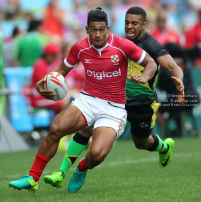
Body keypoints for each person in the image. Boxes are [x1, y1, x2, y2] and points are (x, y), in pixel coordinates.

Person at [8, 7, 157, 192]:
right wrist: (44, 80)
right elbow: (61, 70)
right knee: (56, 129)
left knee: (97, 154)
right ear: (87, 29)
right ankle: (32, 177)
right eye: (93, 29)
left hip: (114, 108)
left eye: (101, 29)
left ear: (107, 28)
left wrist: (144, 78)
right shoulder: (80, 48)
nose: (97, 34)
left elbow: (150, 62)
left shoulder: (122, 45)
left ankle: (81, 168)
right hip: (88, 101)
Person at [43, 7, 184, 193]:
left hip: (141, 104)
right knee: (87, 127)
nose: (129, 27)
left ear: (144, 25)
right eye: (126, 22)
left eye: (134, 23)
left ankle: (164, 146)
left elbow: (174, 67)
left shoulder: (151, 46)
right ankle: (61, 173)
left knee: (142, 143)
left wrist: (179, 80)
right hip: (114, 100)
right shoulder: (115, 40)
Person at [30, 43, 69, 113]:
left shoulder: (51, 64)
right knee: (64, 102)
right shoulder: (40, 65)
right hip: (38, 99)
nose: (55, 58)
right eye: (53, 55)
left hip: (47, 97)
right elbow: (48, 86)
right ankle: (58, 123)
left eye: (55, 56)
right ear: (47, 55)